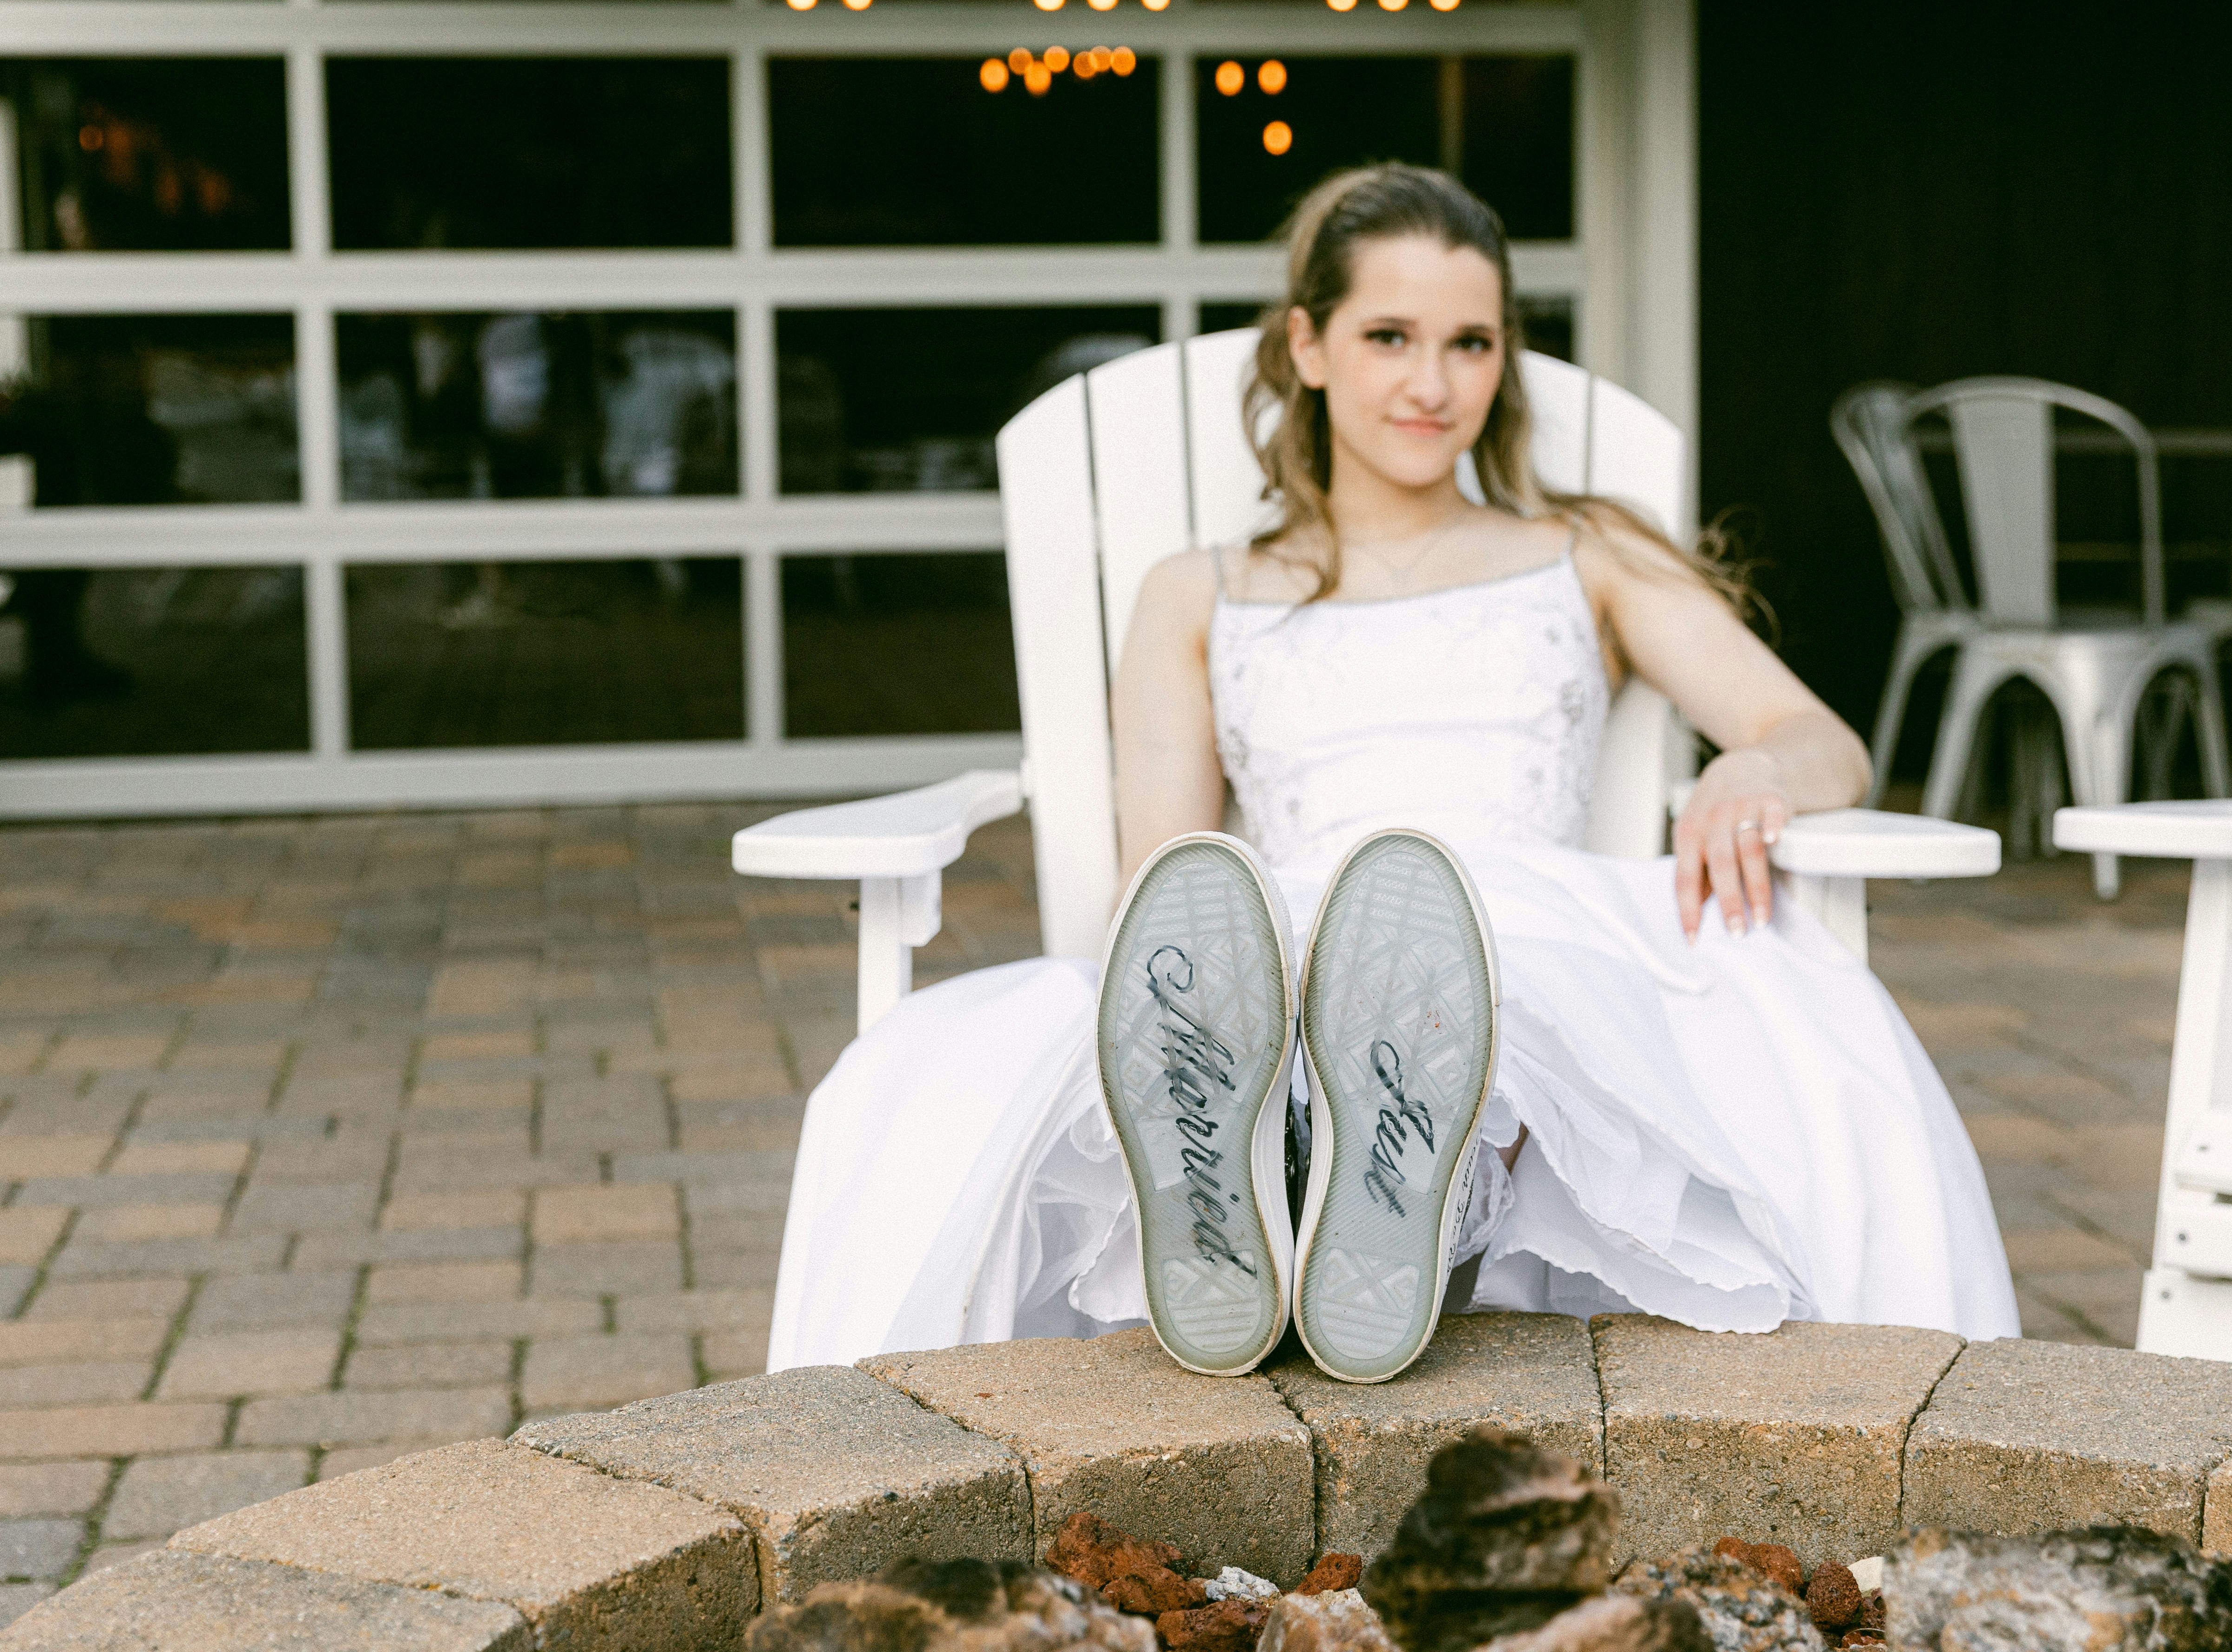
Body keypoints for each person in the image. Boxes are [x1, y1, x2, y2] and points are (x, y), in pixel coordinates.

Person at [768, 164, 2017, 1382]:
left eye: (1471, 344)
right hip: (1292, 933)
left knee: (1488, 998)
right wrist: (1211, 986)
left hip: (1535, 918)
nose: (1433, 383)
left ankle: (1394, 1189)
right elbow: (1170, 877)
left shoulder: (1584, 555)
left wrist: (1757, 771)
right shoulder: (1198, 590)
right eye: (1390, 336)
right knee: (942, 1081)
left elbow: (1819, 738)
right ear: (1307, 346)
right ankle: (1268, 1167)